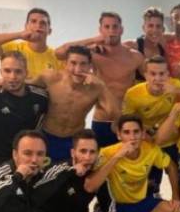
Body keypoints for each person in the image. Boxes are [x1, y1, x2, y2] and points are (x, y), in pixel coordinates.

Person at [86, 115, 180, 212]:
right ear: (119, 135)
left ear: (142, 133)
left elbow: (171, 167)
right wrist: (117, 157)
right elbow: (90, 185)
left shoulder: (150, 149)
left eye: (136, 132)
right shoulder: (107, 152)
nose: (132, 137)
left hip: (141, 202)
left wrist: (175, 196)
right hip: (115, 206)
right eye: (126, 132)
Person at [54, 12, 144, 147]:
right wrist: (94, 40)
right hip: (102, 118)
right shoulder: (93, 54)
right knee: (100, 165)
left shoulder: (135, 56)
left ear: (122, 29)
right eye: (106, 27)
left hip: (127, 120)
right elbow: (60, 53)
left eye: (115, 26)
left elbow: (149, 79)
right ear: (100, 30)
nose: (111, 31)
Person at [123, 56, 180, 195]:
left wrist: (178, 91)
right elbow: (127, 121)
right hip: (148, 140)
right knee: (150, 185)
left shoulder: (175, 85)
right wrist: (144, 133)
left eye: (162, 74)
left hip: (174, 140)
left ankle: (179, 203)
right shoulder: (133, 94)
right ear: (145, 75)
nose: (157, 78)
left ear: (168, 75)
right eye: (153, 74)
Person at [32, 45, 106, 162]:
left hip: (74, 140)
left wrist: (102, 86)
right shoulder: (50, 77)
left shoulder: (96, 88)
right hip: (46, 136)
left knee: (70, 177)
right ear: (65, 63)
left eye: (83, 64)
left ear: (90, 66)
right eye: (73, 63)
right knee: (42, 176)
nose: (78, 69)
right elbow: (24, 87)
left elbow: (113, 113)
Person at [0, 8, 63, 78]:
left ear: (49, 31)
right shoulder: (13, 49)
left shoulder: (56, 56)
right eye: (33, 21)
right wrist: (19, 35)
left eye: (43, 23)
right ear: (26, 26)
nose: (38, 26)